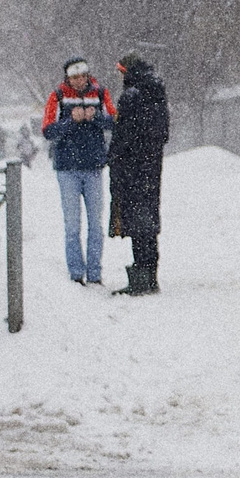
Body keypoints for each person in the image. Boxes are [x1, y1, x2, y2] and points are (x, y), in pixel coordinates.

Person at [43, 58, 117, 286]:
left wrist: (95, 118)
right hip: (68, 169)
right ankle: (76, 273)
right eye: (74, 77)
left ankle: (95, 273)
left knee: (96, 224)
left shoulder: (101, 93)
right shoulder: (57, 96)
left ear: (88, 75)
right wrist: (69, 122)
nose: (79, 81)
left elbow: (114, 121)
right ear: (68, 78)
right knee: (72, 224)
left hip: (93, 167)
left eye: (83, 76)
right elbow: (48, 130)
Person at [108, 52, 170, 297]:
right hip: (151, 168)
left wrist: (115, 156)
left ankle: (140, 277)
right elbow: (163, 134)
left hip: (131, 170)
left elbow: (123, 135)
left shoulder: (132, 96)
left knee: (135, 222)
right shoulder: (157, 95)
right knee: (149, 222)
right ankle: (150, 274)